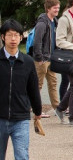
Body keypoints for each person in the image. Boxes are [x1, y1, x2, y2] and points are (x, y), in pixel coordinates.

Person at [0, 19, 42, 160]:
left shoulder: (28, 62)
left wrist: (38, 111)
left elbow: (33, 88)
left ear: (21, 37)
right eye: (10, 35)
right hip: (0, 118)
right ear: (3, 37)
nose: (13, 39)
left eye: (16, 35)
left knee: (22, 155)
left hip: (21, 118)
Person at [30, 0, 60, 117]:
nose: (57, 10)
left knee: (53, 83)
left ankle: (57, 107)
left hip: (51, 58)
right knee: (38, 85)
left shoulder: (54, 22)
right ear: (48, 9)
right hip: (42, 60)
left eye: (58, 7)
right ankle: (36, 109)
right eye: (55, 8)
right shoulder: (42, 23)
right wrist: (39, 57)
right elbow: (37, 41)